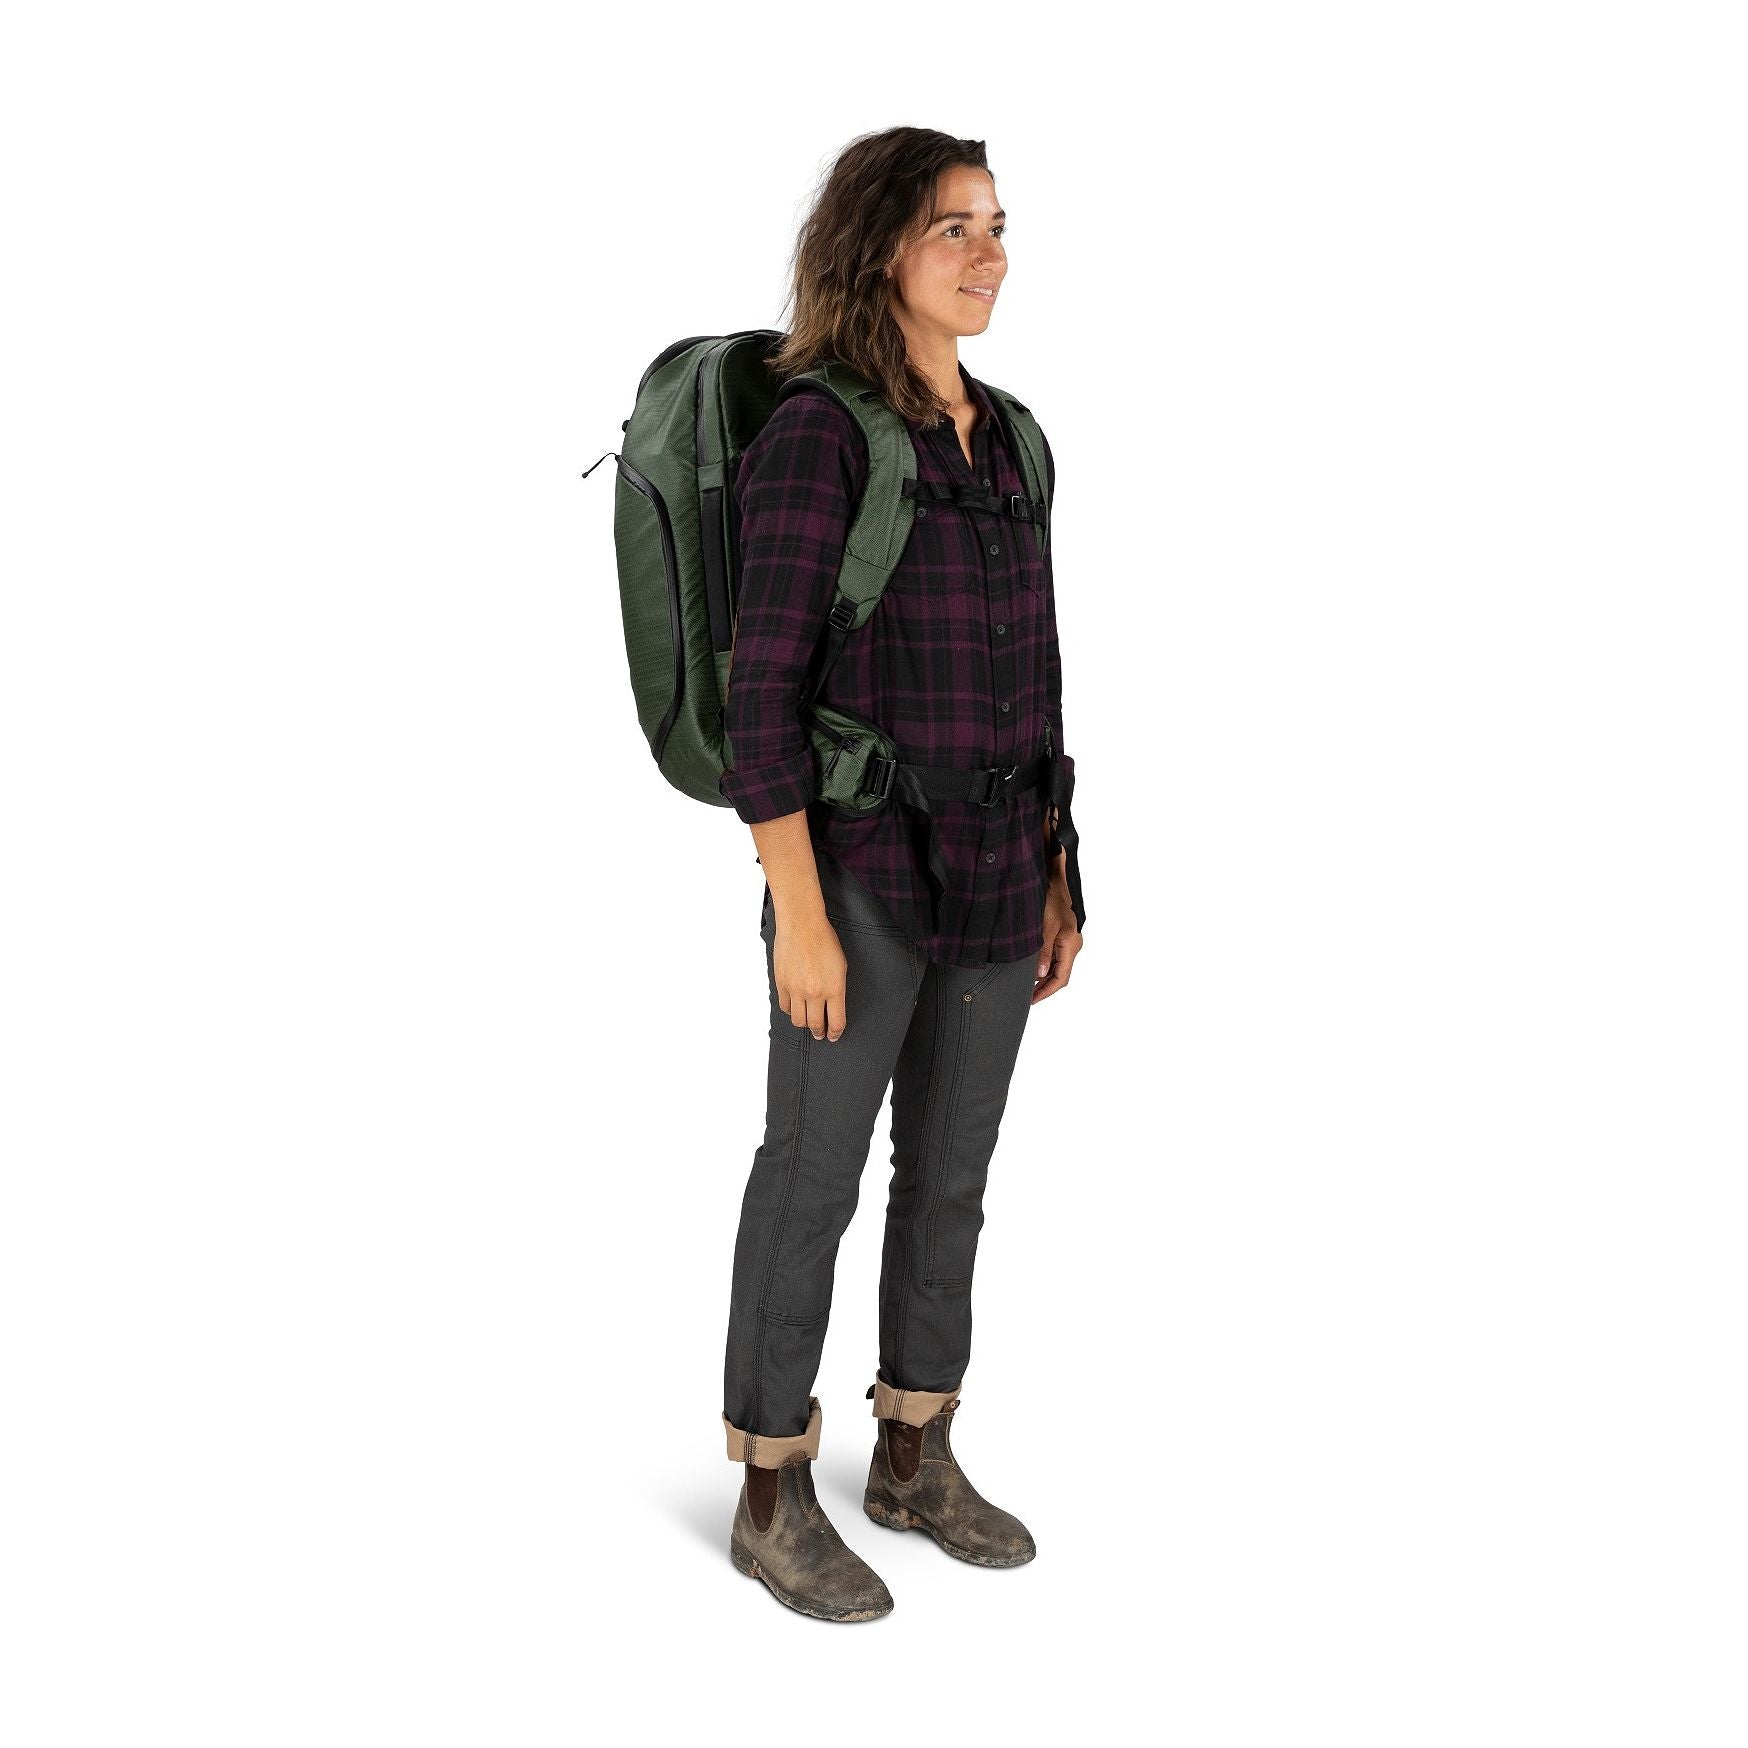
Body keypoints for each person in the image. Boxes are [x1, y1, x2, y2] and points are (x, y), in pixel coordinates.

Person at [717, 127, 1086, 1622]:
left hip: (998, 873)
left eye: (998, 224)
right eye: (953, 227)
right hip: (858, 874)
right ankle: (770, 1492)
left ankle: (915, 1456)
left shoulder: (1014, 439)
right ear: (881, 247)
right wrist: (798, 914)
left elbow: (1036, 669)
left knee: (950, 1180)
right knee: (809, 1181)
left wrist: (1061, 864)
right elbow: (758, 696)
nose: (989, 253)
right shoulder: (823, 433)